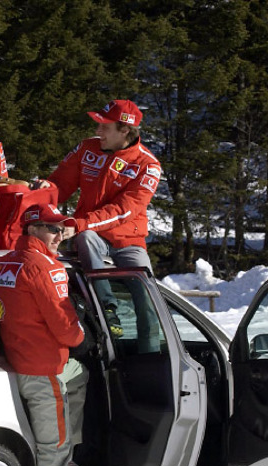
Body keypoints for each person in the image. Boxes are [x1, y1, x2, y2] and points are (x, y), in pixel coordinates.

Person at [0, 203, 85, 466]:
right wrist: (83, 334)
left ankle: (74, 443)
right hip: (45, 371)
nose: (59, 235)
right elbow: (65, 327)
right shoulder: (47, 268)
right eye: (52, 228)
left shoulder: (0, 266)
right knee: (55, 458)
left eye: (61, 228)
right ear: (32, 229)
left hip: (14, 366)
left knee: (80, 376)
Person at [46, 99, 162, 350]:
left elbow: (124, 211)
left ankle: (151, 355)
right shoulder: (87, 148)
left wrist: (79, 224)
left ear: (125, 131)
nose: (97, 131)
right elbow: (59, 184)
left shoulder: (148, 165)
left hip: (127, 239)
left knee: (146, 296)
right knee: (86, 238)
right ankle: (107, 308)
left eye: (104, 127)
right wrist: (42, 194)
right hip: (90, 235)